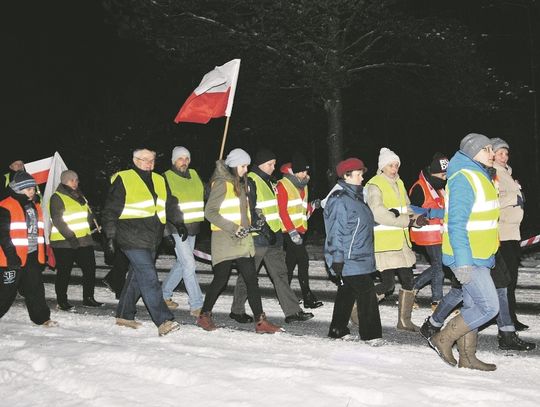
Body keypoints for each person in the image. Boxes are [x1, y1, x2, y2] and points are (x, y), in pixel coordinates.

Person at [428, 133, 500, 371]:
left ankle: (467, 357)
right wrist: (463, 263)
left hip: (481, 255)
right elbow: (457, 223)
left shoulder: (480, 175)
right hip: (468, 257)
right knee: (489, 307)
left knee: (472, 307)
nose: (492, 153)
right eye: (487, 149)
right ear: (473, 152)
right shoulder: (464, 178)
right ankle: (442, 338)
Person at [197, 148, 281, 334]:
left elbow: (245, 210)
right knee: (220, 279)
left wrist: (256, 217)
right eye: (243, 166)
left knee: (252, 280)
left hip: (243, 241)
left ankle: (261, 321)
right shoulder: (221, 184)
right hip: (224, 239)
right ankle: (204, 315)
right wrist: (234, 227)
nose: (246, 169)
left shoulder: (241, 183)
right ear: (234, 165)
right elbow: (209, 213)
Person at [101, 148, 184, 336]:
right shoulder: (124, 178)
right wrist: (110, 237)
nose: (149, 163)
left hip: (151, 238)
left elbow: (168, 205)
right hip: (130, 236)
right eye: (145, 159)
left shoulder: (159, 180)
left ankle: (124, 314)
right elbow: (110, 211)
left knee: (137, 277)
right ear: (135, 160)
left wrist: (177, 224)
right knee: (149, 277)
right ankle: (163, 321)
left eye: (152, 160)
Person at [230, 148, 314, 324]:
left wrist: (276, 233)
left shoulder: (269, 181)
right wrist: (265, 230)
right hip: (258, 238)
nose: (273, 167)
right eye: (270, 164)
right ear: (260, 164)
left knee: (280, 275)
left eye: (274, 164)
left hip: (274, 237)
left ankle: (292, 312)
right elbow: (251, 211)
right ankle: (237, 310)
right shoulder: (251, 181)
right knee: (248, 275)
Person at [365, 147, 428, 332]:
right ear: (382, 167)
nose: (394, 168)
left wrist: (416, 220)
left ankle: (404, 321)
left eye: (396, 165)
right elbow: (378, 213)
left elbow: (406, 208)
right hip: (385, 243)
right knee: (388, 284)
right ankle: (358, 310)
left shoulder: (399, 183)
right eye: (391, 165)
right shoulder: (375, 184)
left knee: (408, 281)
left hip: (401, 241)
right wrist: (405, 221)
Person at [324, 158, 382, 340]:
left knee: (347, 292)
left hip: (360, 255)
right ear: (346, 176)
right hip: (348, 257)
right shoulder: (340, 201)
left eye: (362, 174)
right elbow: (335, 232)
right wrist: (337, 258)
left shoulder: (357, 197)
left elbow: (361, 224)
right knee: (367, 291)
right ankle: (371, 335)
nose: (362, 178)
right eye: (358, 175)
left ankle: (337, 329)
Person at [0, 171, 57, 327]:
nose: (33, 191)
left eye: (33, 188)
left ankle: (42, 318)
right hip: (11, 258)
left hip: (31, 255)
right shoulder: (5, 205)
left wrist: (42, 254)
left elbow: (38, 231)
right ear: (19, 188)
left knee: (35, 288)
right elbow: (3, 236)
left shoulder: (34, 205)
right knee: (5, 293)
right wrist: (11, 256)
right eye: (29, 189)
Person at [49, 170, 103, 311]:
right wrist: (71, 237)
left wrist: (92, 218)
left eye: (76, 180)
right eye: (71, 180)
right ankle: (62, 301)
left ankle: (88, 298)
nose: (75, 182)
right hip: (64, 242)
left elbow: (85, 215)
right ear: (64, 181)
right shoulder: (57, 197)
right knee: (64, 272)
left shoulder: (80, 196)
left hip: (84, 240)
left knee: (90, 269)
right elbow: (58, 220)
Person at [161, 146, 204, 316]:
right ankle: (197, 304)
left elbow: (206, 192)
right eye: (180, 158)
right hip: (176, 227)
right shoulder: (166, 177)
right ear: (173, 160)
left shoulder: (194, 175)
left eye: (187, 158)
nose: (184, 162)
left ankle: (163, 295)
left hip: (193, 227)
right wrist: (166, 232)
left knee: (182, 263)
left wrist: (219, 173)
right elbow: (164, 206)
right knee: (189, 264)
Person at [277, 152, 323, 309]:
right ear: (294, 171)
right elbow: (282, 211)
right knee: (303, 261)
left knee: (290, 264)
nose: (306, 174)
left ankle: (284, 295)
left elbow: (301, 212)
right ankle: (307, 297)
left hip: (300, 231)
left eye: (307, 171)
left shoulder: (303, 185)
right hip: (289, 232)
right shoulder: (283, 185)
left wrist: (312, 207)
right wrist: (291, 231)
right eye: (303, 171)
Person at [491, 137, 528, 331]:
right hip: (502, 233)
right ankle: (506, 319)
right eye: (500, 153)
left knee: (512, 278)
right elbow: (494, 202)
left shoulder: (507, 172)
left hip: (513, 232)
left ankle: (511, 316)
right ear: (493, 155)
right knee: (505, 280)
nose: (504, 157)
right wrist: (515, 196)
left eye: (506, 153)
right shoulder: (493, 173)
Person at [409, 153, 449, 311]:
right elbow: (411, 209)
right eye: (442, 175)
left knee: (440, 265)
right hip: (427, 234)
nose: (445, 178)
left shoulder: (437, 187)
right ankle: (437, 301)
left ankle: (410, 288)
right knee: (439, 265)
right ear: (433, 173)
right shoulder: (420, 186)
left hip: (439, 233)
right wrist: (434, 214)